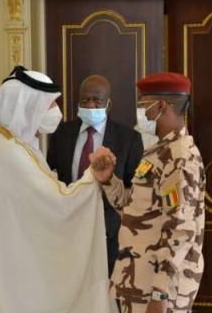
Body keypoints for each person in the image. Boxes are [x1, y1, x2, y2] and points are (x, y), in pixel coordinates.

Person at [0, 66, 130, 313]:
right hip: (17, 269)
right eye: (50, 104)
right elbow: (57, 203)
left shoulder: (20, 145)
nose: (55, 111)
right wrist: (93, 176)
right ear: (28, 106)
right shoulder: (10, 152)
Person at [89, 72, 206, 313]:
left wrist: (160, 293)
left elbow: (180, 229)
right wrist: (108, 180)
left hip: (158, 286)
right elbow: (136, 209)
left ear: (161, 106)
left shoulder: (179, 157)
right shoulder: (158, 151)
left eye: (144, 105)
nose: (141, 112)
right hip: (139, 280)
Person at [47, 75, 144, 275]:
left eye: (97, 100)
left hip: (109, 232)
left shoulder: (129, 139)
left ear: (108, 104)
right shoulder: (61, 134)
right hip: (69, 226)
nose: (91, 105)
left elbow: (134, 189)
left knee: (103, 286)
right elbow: (51, 175)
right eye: (85, 100)